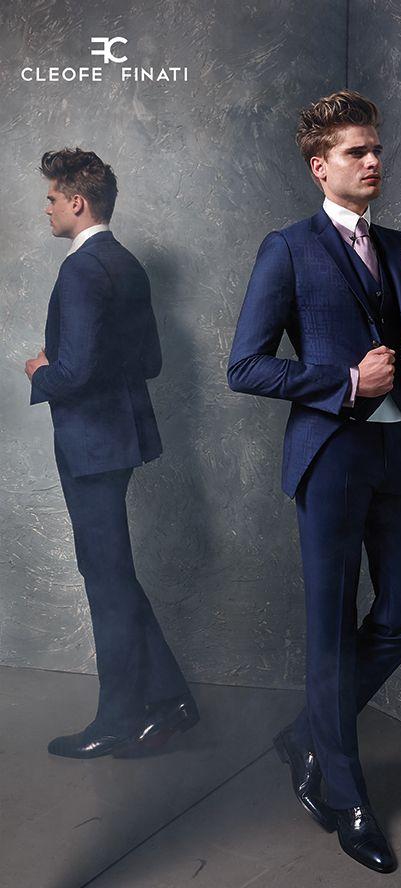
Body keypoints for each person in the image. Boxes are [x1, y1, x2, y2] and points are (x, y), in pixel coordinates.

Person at [227, 91, 401, 873]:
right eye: (357, 151)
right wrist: (345, 381)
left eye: (376, 148)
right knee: (329, 626)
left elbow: (399, 340)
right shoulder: (287, 249)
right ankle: (346, 796)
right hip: (328, 458)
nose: (373, 160)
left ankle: (307, 737)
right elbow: (245, 367)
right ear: (320, 166)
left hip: (395, 455)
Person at [25, 148, 199, 758]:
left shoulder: (81, 270)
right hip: (119, 440)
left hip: (91, 442)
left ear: (77, 201)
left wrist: (40, 371)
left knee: (105, 579)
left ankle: (119, 718)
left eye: (52, 197)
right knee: (111, 573)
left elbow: (72, 372)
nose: (46, 207)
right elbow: (149, 361)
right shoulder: (126, 263)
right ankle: (170, 700)